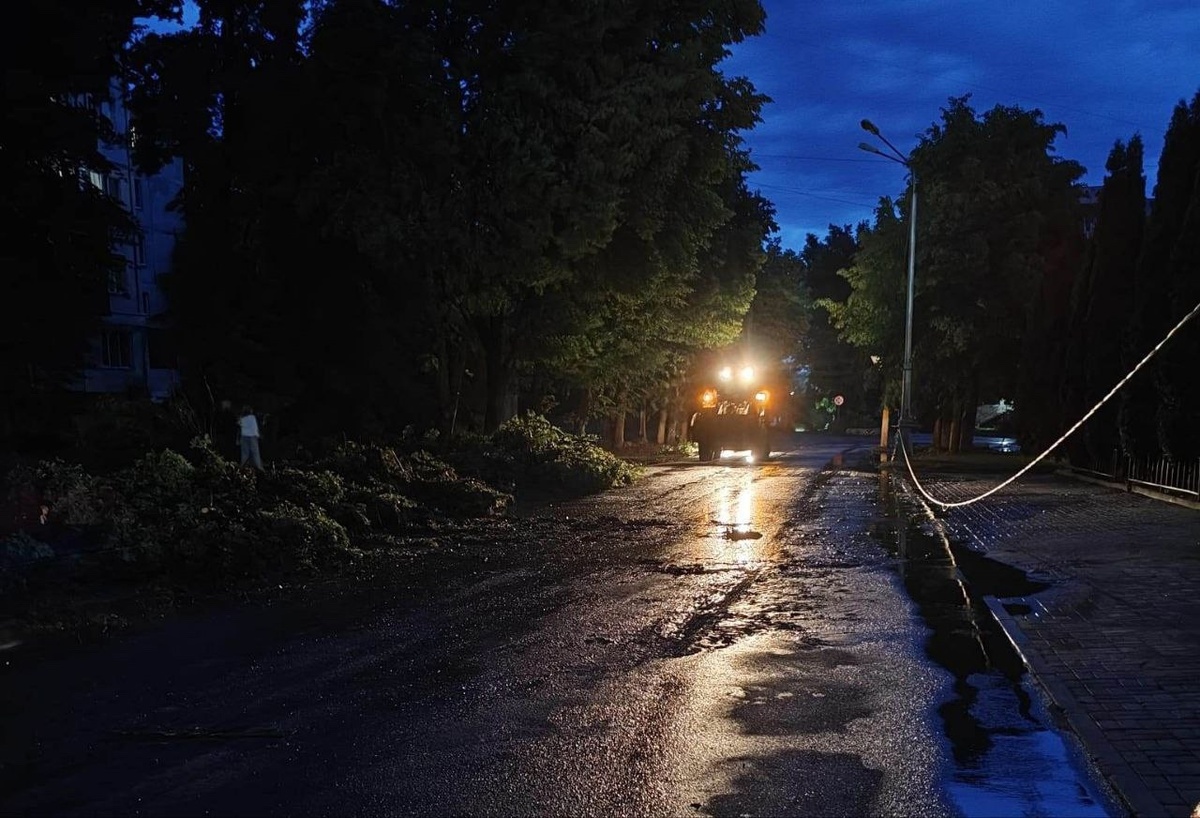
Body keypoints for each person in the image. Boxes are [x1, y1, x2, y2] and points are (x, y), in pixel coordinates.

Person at [237, 405, 264, 470]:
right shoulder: (252, 417)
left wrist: (238, 439)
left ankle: (243, 468)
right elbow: (255, 427)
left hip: (244, 436)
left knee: (245, 454)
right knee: (255, 453)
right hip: (252, 436)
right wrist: (258, 435)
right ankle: (259, 467)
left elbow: (239, 426)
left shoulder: (242, 418)